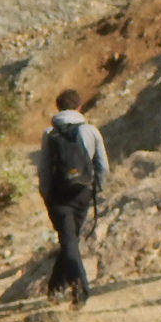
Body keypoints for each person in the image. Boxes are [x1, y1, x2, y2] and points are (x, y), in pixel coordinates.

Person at [38, 89, 110, 307]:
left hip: (59, 195)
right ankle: (57, 288)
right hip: (82, 192)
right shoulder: (91, 130)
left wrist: (46, 194)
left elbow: (44, 168)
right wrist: (98, 187)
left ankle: (79, 289)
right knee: (70, 239)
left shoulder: (49, 132)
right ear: (80, 107)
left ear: (58, 108)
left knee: (68, 240)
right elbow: (103, 166)